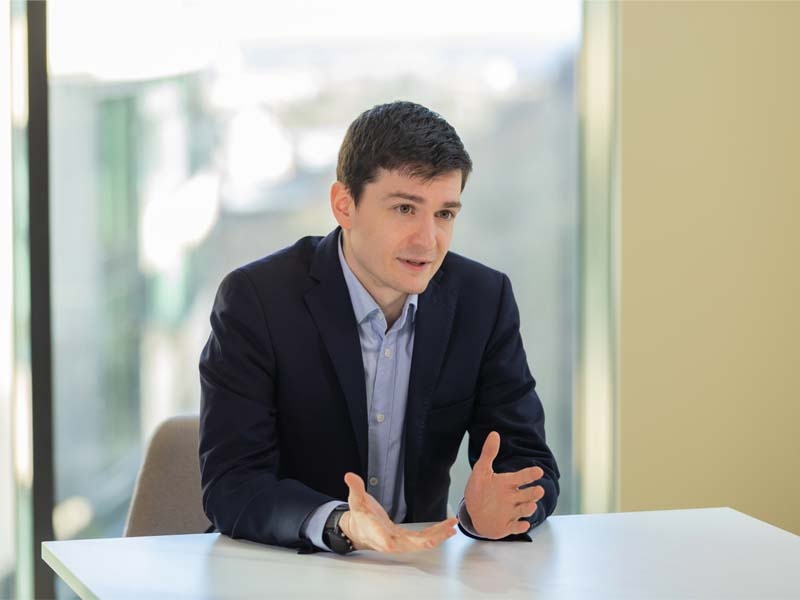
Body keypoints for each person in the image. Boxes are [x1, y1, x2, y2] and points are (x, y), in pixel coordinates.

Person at [199, 101, 560, 555]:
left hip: (421, 569)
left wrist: (493, 514)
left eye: (445, 214)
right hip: (286, 565)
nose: (428, 240)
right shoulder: (256, 300)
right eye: (405, 209)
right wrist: (341, 524)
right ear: (344, 205)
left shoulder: (482, 301)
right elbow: (232, 484)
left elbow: (529, 461)